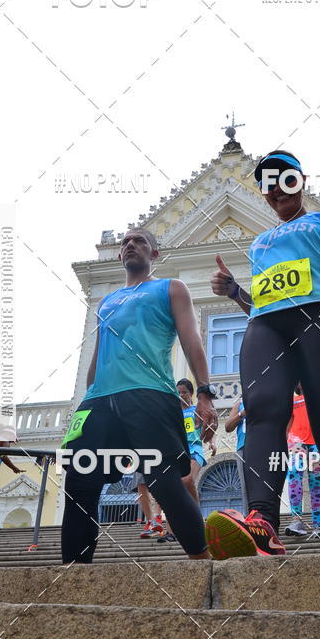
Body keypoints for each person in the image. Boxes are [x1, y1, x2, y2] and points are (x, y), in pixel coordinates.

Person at [206, 150, 320, 558]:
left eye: (284, 179)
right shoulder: (259, 243)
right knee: (264, 409)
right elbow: (264, 302)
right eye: (268, 186)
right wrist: (234, 290)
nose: (276, 190)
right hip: (267, 327)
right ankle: (264, 522)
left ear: (300, 181)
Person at [60, 228, 217, 563]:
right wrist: (85, 404)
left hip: (149, 396)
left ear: (154, 254)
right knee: (79, 482)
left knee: (164, 482)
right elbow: (97, 357)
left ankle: (203, 561)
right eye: (125, 243)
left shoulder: (171, 288)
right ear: (120, 255)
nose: (130, 245)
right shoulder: (106, 302)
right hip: (99, 401)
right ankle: (73, 572)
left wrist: (204, 393)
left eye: (140, 241)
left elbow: (192, 341)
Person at [156, 378, 217, 545]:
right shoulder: (173, 413)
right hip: (176, 452)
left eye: (184, 392)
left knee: (188, 480)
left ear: (191, 394)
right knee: (172, 489)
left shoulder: (196, 410)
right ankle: (170, 532)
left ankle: (197, 518)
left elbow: (210, 427)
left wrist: (211, 442)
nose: (181, 395)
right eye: (179, 392)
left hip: (195, 450)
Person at [284, 386, 320, 539]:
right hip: (296, 441)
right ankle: (296, 520)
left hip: (316, 443)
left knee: (317, 482)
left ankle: (317, 525)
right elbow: (287, 424)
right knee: (294, 474)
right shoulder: (292, 401)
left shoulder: (318, 396)